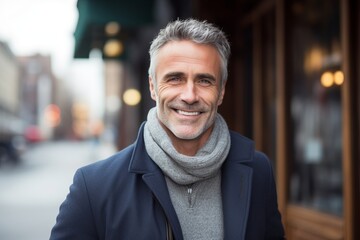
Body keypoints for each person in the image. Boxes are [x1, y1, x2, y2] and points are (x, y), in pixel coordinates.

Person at [50, 18, 285, 240]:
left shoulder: (258, 171)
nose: (190, 96)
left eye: (204, 80)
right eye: (175, 79)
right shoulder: (93, 187)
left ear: (221, 91)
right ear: (153, 87)